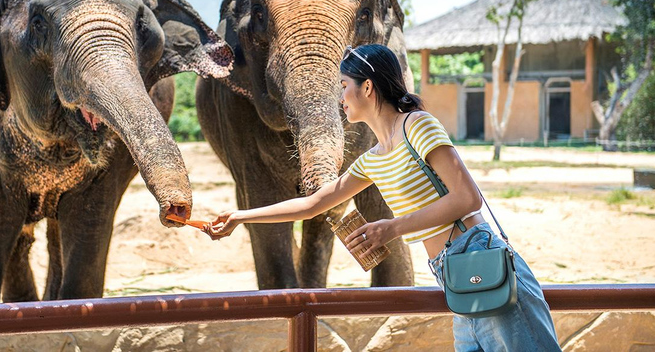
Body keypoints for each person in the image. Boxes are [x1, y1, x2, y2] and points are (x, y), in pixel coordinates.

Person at [207, 43, 560, 351]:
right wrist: (240, 216)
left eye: (344, 86)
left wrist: (390, 229)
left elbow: (467, 198)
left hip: (482, 264)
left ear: (368, 87)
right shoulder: (374, 159)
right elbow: (312, 204)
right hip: (454, 280)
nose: (340, 97)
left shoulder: (417, 125)